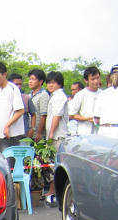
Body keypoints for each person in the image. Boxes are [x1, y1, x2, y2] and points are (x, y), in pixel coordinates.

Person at [44, 71, 69, 207]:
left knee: (56, 166)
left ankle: (54, 194)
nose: (50, 85)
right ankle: (53, 193)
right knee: (52, 165)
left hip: (58, 136)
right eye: (49, 82)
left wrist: (51, 134)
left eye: (53, 82)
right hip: (54, 135)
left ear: (59, 84)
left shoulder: (59, 96)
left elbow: (57, 116)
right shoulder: (54, 96)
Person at [0, 62, 25, 155]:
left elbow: (21, 110)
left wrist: (7, 126)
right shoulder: (1, 90)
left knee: (10, 165)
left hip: (12, 135)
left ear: (5, 74)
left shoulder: (12, 88)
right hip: (1, 135)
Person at [68, 67, 102, 136]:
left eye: (97, 78)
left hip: (99, 133)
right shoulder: (80, 95)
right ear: (86, 80)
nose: (96, 81)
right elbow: (72, 115)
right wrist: (87, 118)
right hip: (83, 133)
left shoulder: (103, 94)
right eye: (92, 79)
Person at [28, 69, 49, 142]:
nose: (30, 81)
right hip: (29, 133)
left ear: (40, 81)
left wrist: (39, 133)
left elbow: (43, 115)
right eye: (30, 79)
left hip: (37, 135)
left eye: (33, 79)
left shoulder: (43, 95)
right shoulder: (29, 95)